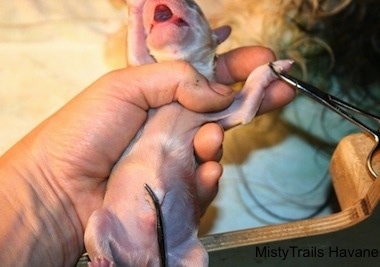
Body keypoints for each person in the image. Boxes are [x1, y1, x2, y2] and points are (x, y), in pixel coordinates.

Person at [0, 46, 295, 266]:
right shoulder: (144, 91)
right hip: (126, 235)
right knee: (100, 222)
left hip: (170, 244)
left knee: (193, 254)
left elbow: (243, 110)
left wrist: (263, 75)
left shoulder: (205, 112)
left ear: (215, 41)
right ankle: (102, 257)